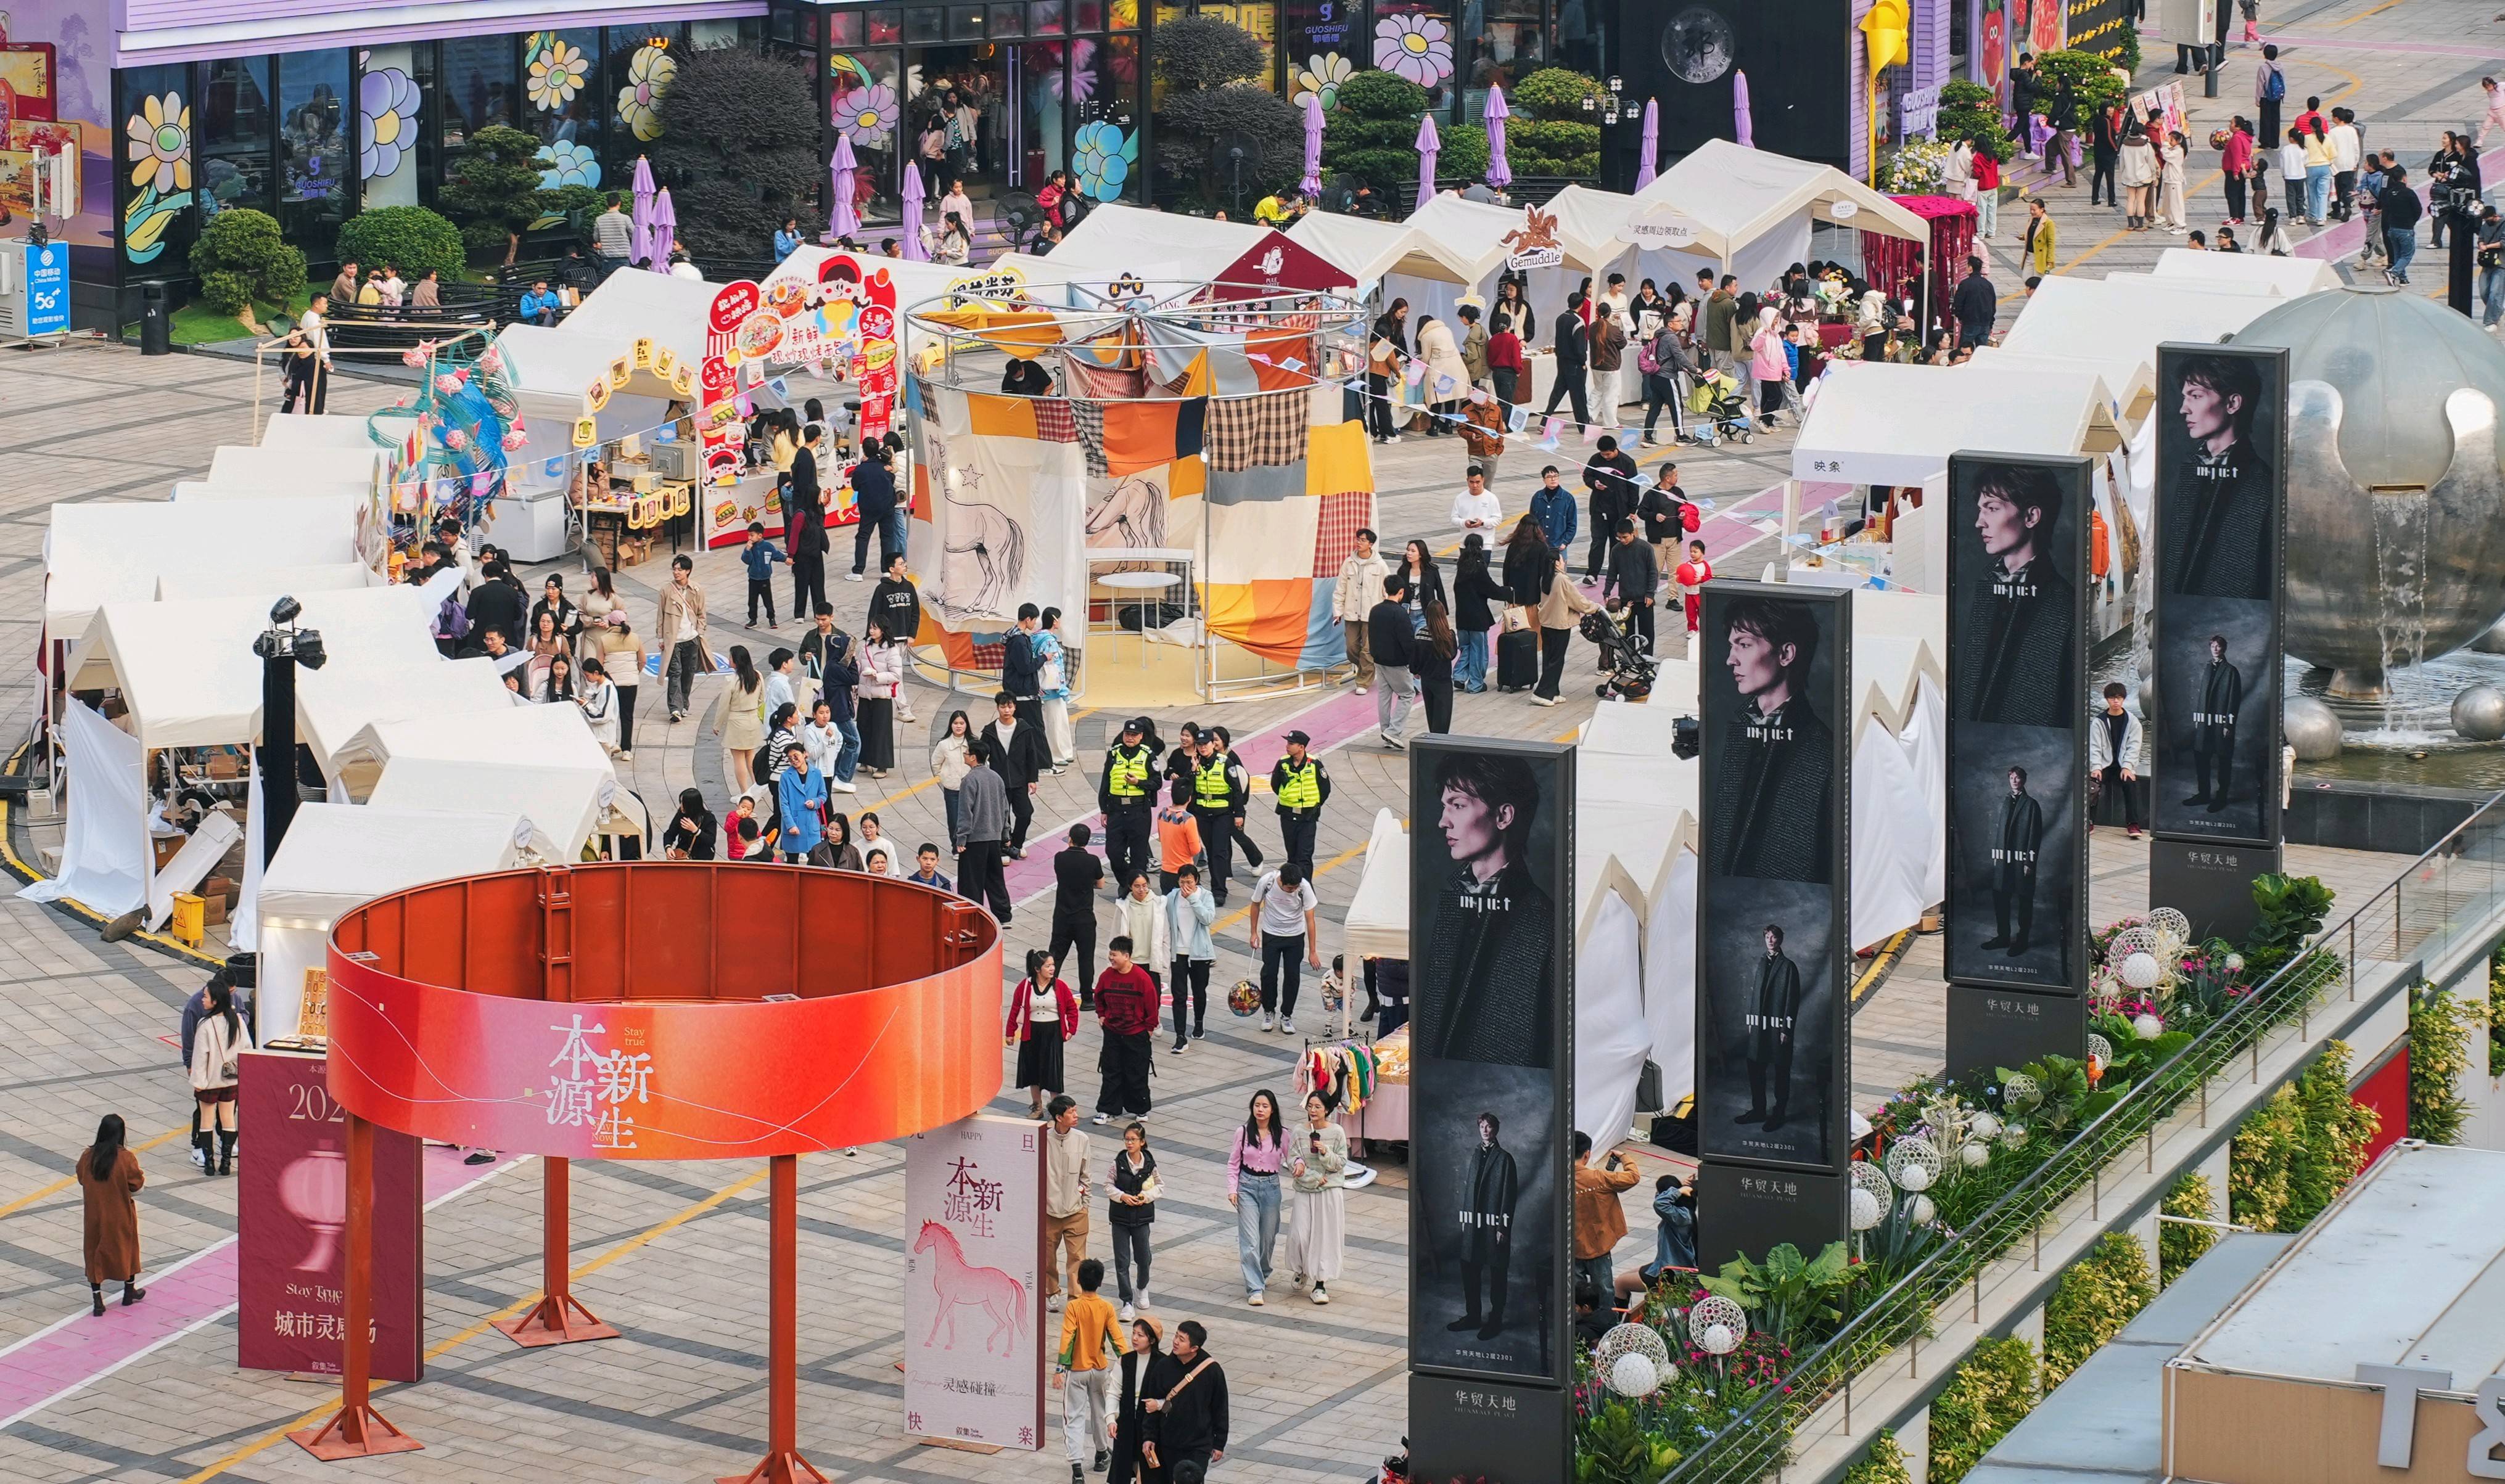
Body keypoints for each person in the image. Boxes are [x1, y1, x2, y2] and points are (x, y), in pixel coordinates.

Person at [1956, 461, 2076, 727]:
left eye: (1992, 508)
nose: (1979, 522)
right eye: (1980, 509)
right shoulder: (1983, 590)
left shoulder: (2063, 605)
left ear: (2031, 516)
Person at [1452, 1110, 1520, 1338]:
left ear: (1496, 1129)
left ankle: (1495, 1320)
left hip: (1494, 1224)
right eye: (1482, 1126)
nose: (1485, 1130)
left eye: (1489, 1126)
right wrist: (1466, 1218)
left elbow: (1509, 1196)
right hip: (1474, 1223)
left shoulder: (1505, 1159)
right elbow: (1470, 1190)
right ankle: (1473, 1316)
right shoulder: (1475, 1154)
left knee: (1497, 1272)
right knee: (1469, 1268)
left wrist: (1503, 1227)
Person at [1059, 1256, 1125, 1481]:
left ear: (1078, 1281)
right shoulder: (1106, 1308)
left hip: (1077, 1370)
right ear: (1100, 1282)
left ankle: (1077, 1468)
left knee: (1074, 1417)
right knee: (1101, 1413)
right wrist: (1127, 1362)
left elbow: (1068, 1337)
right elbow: (1117, 1339)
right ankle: (1101, 1453)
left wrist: (1061, 1367)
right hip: (1099, 1370)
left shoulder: (1074, 1307)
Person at [77, 1113, 146, 1316]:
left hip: (94, 1215)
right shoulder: (125, 1158)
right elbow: (137, 1186)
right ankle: (129, 1291)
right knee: (127, 1249)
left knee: (94, 1252)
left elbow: (81, 1179)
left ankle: (98, 1301)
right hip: (120, 1214)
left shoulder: (87, 1157)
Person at [1283, 1095, 1347, 1305]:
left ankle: (1320, 1284)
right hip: (1305, 1188)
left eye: (1318, 1107)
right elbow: (1292, 1158)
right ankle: (1301, 1269)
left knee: (1324, 1237)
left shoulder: (1337, 1132)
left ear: (1327, 1109)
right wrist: (1305, 1170)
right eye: (1310, 1106)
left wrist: (1325, 1151)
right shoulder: (1299, 1131)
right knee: (1299, 1234)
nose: (1313, 1110)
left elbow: (1340, 1163)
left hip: (1329, 1191)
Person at [1248, 861, 1321, 1034]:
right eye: (1290, 888)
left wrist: (1313, 951)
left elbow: (1310, 920)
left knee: (1292, 976)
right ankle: (1269, 1011)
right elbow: (1255, 904)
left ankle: (1287, 1015)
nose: (1293, 890)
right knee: (1269, 974)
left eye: (1295, 888)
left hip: (1295, 936)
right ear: (1281, 880)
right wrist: (1253, 933)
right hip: (1271, 934)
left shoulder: (1304, 888)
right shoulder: (1267, 882)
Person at [1571, 1131, 1640, 1302]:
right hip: (1599, 1244)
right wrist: (1624, 1157)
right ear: (1587, 1154)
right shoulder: (1599, 1178)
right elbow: (1633, 1177)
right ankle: (1606, 1317)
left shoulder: (1559, 1178)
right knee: (1605, 1291)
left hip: (1572, 1246)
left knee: (1575, 1293)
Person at [1984, 766, 2047, 954]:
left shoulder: (2031, 805)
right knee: (2000, 897)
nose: (2014, 780)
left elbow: (2035, 836)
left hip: (2022, 860)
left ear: (2024, 780)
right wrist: (1998, 855)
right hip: (2004, 859)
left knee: (2024, 899)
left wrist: (2029, 862)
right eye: (2011, 777)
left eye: (2018, 777)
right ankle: (2003, 937)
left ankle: (2022, 940)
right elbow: (1998, 831)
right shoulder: (2004, 802)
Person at [1095, 937, 1158, 1124]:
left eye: (1114, 954)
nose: (1111, 958)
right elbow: (1098, 997)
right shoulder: (1106, 976)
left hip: (1136, 1034)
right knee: (1110, 1072)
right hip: (1112, 1032)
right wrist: (1102, 1015)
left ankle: (1140, 1109)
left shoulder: (1141, 978)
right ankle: (1107, 1110)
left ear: (1127, 956)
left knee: (1137, 1072)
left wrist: (1149, 1028)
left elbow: (1152, 1005)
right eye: (1110, 954)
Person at [1187, 731, 1252, 908]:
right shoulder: (1195, 763)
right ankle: (1215, 886)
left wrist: (1239, 814)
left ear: (1213, 745)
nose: (1203, 748)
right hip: (1203, 814)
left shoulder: (1225, 762)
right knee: (1210, 850)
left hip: (1222, 814)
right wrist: (1193, 771)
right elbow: (1188, 788)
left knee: (1219, 852)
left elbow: (1237, 790)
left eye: (1206, 744)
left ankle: (1219, 890)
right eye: (1200, 745)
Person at [982, 690, 1051, 858]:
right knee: (1001, 817)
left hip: (1020, 780)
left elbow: (1031, 755)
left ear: (1015, 707)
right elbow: (982, 755)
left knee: (1025, 813)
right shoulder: (990, 731)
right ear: (997, 708)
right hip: (999, 783)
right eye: (1003, 707)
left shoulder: (1024, 729)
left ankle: (1017, 844)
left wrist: (1032, 779)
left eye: (1010, 706)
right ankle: (1004, 847)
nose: (1006, 710)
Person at [1009, 948, 1078, 1115]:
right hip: (1032, 1033)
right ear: (1037, 969)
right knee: (1033, 1072)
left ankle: (1056, 1111)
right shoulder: (1025, 986)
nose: (1052, 969)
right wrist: (1010, 1032)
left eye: (1053, 965)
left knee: (1053, 1072)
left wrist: (1071, 1029)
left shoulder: (1060, 986)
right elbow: (1015, 1008)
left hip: (1053, 1034)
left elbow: (1072, 1008)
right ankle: (1037, 1107)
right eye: (1048, 966)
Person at [190, 977, 247, 1176]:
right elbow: (246, 1048)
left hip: (210, 1082)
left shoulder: (205, 1024)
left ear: (215, 1001)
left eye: (206, 996)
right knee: (228, 1119)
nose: (202, 999)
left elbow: (200, 1057)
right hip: (231, 1079)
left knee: (207, 1121)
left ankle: (209, 1164)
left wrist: (198, 1082)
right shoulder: (237, 1021)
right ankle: (226, 1162)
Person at [1109, 1317, 1176, 1483]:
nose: (1135, 1338)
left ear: (1152, 1340)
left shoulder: (1164, 1364)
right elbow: (1114, 1392)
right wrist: (1111, 1419)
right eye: (1134, 1333)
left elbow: (1173, 1398)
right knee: (1122, 1469)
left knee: (1147, 1473)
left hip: (1150, 1427)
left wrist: (1158, 1405)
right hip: (1127, 1425)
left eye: (1140, 1335)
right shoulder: (1125, 1361)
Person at [1104, 1122, 1160, 1319]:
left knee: (1144, 1258)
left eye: (1133, 1140)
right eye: (1127, 1139)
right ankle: (1127, 1301)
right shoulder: (1118, 1163)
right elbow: (1108, 1186)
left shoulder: (1149, 1164)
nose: (1129, 1143)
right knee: (1122, 1261)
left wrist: (1146, 1196)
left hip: (1142, 1218)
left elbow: (1159, 1186)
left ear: (1142, 1142)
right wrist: (1122, 1196)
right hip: (1120, 1218)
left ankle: (1142, 1288)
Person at [1099, 716, 1159, 892]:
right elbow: (1106, 782)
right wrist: (1104, 809)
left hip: (1138, 810)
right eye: (1127, 734)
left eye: (1134, 735)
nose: (1130, 738)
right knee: (1113, 852)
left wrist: (1138, 783)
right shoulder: (1114, 753)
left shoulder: (1148, 755)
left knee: (1139, 855)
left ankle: (1136, 888)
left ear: (1141, 736)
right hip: (1116, 809)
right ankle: (1126, 882)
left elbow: (1157, 782)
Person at [1043, 1096, 1092, 1308]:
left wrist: (1085, 1204)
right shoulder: (1043, 1139)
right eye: (1071, 1112)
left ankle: (1075, 1298)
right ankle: (1051, 1292)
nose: (1076, 1115)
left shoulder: (1082, 1139)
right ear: (1058, 1117)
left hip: (1075, 1211)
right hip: (1049, 1212)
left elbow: (1086, 1175)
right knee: (1047, 1257)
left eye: (1075, 1111)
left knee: (1077, 1258)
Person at [1532, 547, 1598, 706]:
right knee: (1557, 660)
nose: (1564, 562)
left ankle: (1553, 692)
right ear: (1556, 563)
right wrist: (1595, 607)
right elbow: (1577, 600)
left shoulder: (1545, 578)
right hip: (1560, 624)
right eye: (1562, 560)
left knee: (1549, 658)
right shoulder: (1562, 579)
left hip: (1547, 622)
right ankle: (1542, 693)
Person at [957, 740, 1013, 919]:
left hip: (975, 840)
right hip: (994, 838)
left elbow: (966, 811)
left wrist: (961, 838)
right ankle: (1003, 915)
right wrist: (1005, 834)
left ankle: (972, 916)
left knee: (971, 882)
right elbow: (1005, 809)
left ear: (974, 758)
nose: (965, 755)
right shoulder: (996, 778)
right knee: (995, 879)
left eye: (967, 753)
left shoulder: (969, 780)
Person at [1051, 824, 1108, 1004]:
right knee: (1086, 958)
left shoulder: (1060, 858)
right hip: (1084, 917)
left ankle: (1047, 991)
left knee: (1056, 955)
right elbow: (1101, 884)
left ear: (1070, 838)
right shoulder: (1093, 861)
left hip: (1062, 916)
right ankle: (1087, 998)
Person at [1333, 527, 1392, 694]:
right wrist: (1338, 612)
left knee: (1367, 650)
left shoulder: (1380, 565)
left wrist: (1387, 611)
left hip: (1372, 615)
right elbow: (1340, 588)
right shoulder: (1348, 563)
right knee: (1351, 648)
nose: (1359, 542)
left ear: (1371, 544)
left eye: (1363, 540)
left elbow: (1387, 590)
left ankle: (1363, 682)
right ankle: (1367, 668)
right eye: (1358, 539)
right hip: (1351, 613)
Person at [1269, 729, 1331, 872]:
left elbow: (1325, 788)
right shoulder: (1282, 763)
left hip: (1308, 816)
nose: (1287, 746)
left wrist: (1315, 805)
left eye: (1291, 744)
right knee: (1292, 856)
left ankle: (1306, 885)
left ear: (1301, 747)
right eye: (1288, 743)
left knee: (1304, 856)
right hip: (1288, 815)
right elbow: (1275, 785)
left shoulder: (1314, 764)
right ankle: (1293, 884)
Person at [657, 555, 707, 723]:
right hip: (674, 640)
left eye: (680, 569)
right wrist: (660, 637)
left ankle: (684, 703)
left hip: (692, 638)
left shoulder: (697, 590)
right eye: (674, 569)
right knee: (675, 672)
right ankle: (675, 708)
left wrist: (700, 632)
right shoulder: (666, 590)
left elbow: (701, 614)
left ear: (688, 571)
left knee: (688, 673)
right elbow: (661, 615)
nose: (676, 572)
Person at [1368, 576, 1417, 747]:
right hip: (1396, 662)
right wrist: (1414, 662)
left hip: (1379, 659)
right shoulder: (1400, 613)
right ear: (1401, 592)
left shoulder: (1375, 610)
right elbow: (1407, 641)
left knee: (1384, 696)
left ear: (1385, 589)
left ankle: (1387, 732)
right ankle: (1393, 732)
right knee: (1407, 694)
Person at [1581, 436, 1639, 581]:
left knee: (1618, 543)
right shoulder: (1595, 459)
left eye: (1608, 454)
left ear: (1615, 450)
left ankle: (1617, 572)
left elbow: (1634, 487)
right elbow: (1587, 476)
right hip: (1599, 510)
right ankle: (1592, 574)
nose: (1605, 457)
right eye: (1603, 454)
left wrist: (1632, 510)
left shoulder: (1627, 462)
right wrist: (1594, 483)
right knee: (1597, 542)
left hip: (1619, 511)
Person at [1453, 536, 1505, 694]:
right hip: (1477, 617)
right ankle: (1475, 684)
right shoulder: (1479, 568)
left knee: (1466, 648)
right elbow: (1491, 589)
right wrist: (1508, 592)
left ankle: (1459, 675)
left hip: (1462, 616)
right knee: (1478, 650)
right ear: (1480, 548)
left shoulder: (1461, 567)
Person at [1603, 517, 1660, 654]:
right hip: (1626, 600)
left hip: (1644, 600)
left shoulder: (1645, 548)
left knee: (1647, 633)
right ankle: (1630, 659)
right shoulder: (1616, 550)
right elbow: (1612, 573)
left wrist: (1650, 593)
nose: (1622, 540)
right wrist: (1607, 592)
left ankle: (1647, 659)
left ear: (1633, 533)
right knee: (1627, 633)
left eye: (1625, 537)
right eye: (1619, 538)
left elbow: (1653, 572)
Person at [712, 645, 766, 788]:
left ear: (736, 661)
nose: (729, 659)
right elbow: (762, 699)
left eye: (731, 657)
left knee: (738, 758)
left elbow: (723, 705)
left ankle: (744, 791)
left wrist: (717, 725)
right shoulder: (757, 676)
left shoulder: (731, 680)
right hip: (753, 719)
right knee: (750, 755)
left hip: (737, 721)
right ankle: (756, 787)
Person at [1540, 292, 1594, 427]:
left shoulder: (1560, 318)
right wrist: (1583, 362)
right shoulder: (1578, 322)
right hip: (1575, 364)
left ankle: (1544, 422)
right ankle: (1584, 426)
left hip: (1561, 361)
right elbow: (1580, 346)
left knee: (1556, 394)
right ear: (1581, 305)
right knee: (1579, 397)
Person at [775, 744, 827, 864]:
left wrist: (815, 802)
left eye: (796, 756)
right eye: (790, 758)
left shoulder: (817, 773)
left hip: (811, 823)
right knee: (792, 862)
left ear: (805, 754)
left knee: (815, 861)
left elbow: (823, 795)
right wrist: (790, 825)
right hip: (794, 823)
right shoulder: (786, 777)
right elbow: (784, 804)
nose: (793, 760)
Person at [1365, 301, 1409, 443]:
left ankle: (1373, 433)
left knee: (1371, 405)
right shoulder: (1385, 346)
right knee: (1383, 406)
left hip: (1369, 376)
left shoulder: (1370, 346)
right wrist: (1398, 373)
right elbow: (1393, 363)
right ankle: (1389, 434)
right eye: (1402, 312)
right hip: (1380, 376)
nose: (1403, 315)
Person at [1037, 608, 1075, 766]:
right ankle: (1057, 755)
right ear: (1054, 621)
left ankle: (1064, 752)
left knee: (1059, 721)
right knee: (1056, 722)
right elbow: (1053, 667)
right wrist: (1061, 687)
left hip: (1052, 687)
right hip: (1053, 688)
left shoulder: (1040, 638)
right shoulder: (1049, 641)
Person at [1586, 301, 1629, 430]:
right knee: (1611, 395)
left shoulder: (1592, 327)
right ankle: (1610, 422)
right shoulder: (1613, 330)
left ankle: (1588, 415)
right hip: (1611, 366)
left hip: (1596, 365)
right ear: (1610, 314)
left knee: (1598, 390)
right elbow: (1623, 343)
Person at [1155, 780, 1203, 896]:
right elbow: (1196, 850)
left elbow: (1161, 838)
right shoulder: (1188, 819)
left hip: (1166, 871)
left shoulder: (1163, 814)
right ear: (1189, 798)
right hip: (1184, 873)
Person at [1417, 602, 1458, 734]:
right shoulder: (1449, 635)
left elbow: (1416, 657)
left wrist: (1416, 670)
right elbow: (1452, 655)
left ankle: (1432, 741)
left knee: (1431, 716)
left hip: (1426, 680)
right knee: (1443, 721)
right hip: (1443, 682)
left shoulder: (1421, 635)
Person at [2379, 164, 2421, 284]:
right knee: (2407, 254)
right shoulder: (2409, 193)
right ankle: (2393, 273)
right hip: (2405, 228)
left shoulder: (2390, 193)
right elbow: (2418, 210)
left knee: (2398, 254)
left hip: (2393, 228)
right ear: (2404, 179)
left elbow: (2387, 209)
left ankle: (2403, 278)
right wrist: (2412, 221)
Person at [1528, 465, 1577, 554]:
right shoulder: (1538, 497)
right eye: (1549, 477)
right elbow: (1532, 521)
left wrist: (1565, 542)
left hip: (1558, 546)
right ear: (1544, 480)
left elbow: (1572, 523)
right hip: (1540, 545)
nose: (1553, 479)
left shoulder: (1567, 498)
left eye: (1555, 476)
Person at [1952, 255, 1996, 348]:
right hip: (1985, 324)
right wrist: (1990, 323)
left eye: (1967, 266)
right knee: (1982, 351)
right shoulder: (1988, 284)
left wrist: (1960, 317)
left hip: (1970, 323)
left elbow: (1958, 303)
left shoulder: (1965, 284)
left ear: (1970, 268)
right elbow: (1993, 305)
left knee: (1964, 350)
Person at [1486, 310, 1525, 415]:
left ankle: (1507, 423)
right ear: (1509, 325)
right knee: (1506, 403)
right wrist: (1518, 370)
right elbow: (1516, 358)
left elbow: (1490, 358)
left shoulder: (1493, 339)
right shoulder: (1512, 339)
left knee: (1502, 400)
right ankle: (1498, 423)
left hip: (1497, 373)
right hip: (1509, 374)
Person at [2221, 116, 2256, 223]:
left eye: (2232, 123)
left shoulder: (2237, 138)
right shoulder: (2245, 136)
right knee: (2240, 193)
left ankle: (2234, 217)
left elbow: (2237, 156)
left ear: (2238, 127)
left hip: (2235, 169)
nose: (2230, 125)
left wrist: (2235, 172)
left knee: (2231, 193)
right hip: (2244, 167)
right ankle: (2240, 216)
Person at [2023, 197, 2057, 277]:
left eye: (2034, 210)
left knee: (2038, 280)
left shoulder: (2048, 223)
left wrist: (2050, 261)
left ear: (2042, 210)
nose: (2032, 212)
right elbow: (2033, 233)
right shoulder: (2031, 219)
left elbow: (2051, 243)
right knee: (2026, 278)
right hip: (2029, 255)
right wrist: (2024, 236)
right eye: (2031, 209)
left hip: (2039, 257)